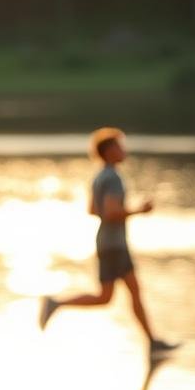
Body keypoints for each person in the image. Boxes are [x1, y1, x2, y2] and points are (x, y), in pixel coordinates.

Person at [38, 126, 178, 356]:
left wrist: (121, 212)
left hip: (106, 242)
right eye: (119, 146)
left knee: (108, 296)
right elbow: (111, 213)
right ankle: (152, 343)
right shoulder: (112, 177)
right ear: (109, 151)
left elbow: (93, 210)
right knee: (125, 293)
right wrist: (139, 211)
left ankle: (152, 342)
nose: (124, 150)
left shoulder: (100, 176)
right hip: (114, 245)